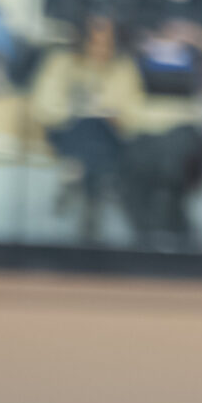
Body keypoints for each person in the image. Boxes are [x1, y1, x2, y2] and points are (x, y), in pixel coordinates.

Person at [30, 14, 151, 245]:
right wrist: (76, 111)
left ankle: (76, 178)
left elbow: (135, 112)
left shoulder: (124, 68)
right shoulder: (62, 62)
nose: (100, 49)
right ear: (83, 41)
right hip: (68, 132)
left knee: (97, 132)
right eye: (95, 42)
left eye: (106, 43)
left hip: (109, 137)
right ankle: (96, 198)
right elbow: (43, 105)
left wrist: (114, 116)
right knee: (88, 128)